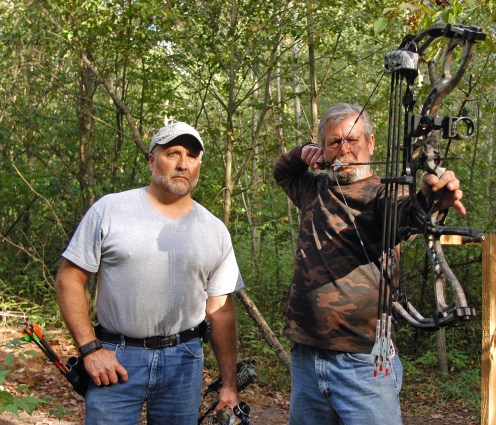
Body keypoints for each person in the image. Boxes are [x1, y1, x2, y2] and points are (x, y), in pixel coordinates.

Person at [273, 103, 466, 425]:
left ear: (371, 144)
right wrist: (302, 152)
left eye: (353, 140)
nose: (344, 149)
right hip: (306, 355)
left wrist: (433, 200)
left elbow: (407, 214)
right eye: (334, 143)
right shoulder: (312, 189)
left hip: (362, 361)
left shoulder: (385, 193)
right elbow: (283, 170)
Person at [55, 122, 244, 425]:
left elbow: (221, 313)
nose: (183, 163)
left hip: (184, 360)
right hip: (115, 357)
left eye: (192, 156)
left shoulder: (214, 230)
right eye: (173, 153)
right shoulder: (111, 209)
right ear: (152, 159)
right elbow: (70, 278)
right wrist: (90, 348)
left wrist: (229, 384)